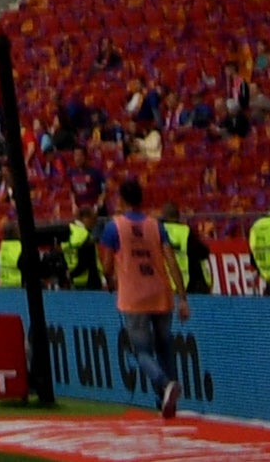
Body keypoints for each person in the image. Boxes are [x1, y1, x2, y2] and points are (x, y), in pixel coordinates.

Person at [103, 175, 186, 414]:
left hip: (134, 297)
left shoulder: (114, 227)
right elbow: (171, 261)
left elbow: (107, 267)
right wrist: (182, 297)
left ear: (121, 200)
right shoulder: (156, 226)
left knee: (141, 351)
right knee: (165, 347)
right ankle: (166, 402)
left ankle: (164, 384)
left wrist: (110, 280)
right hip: (160, 293)